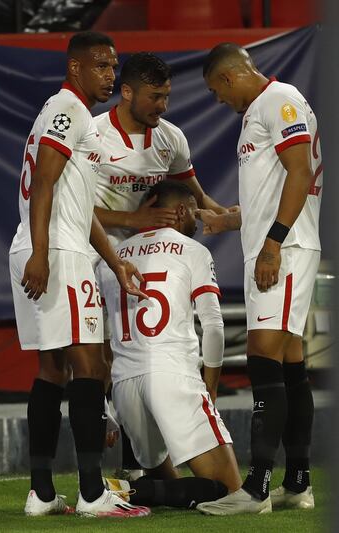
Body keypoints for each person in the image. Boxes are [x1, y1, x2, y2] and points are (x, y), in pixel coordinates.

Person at [9, 31, 150, 519]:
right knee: (89, 367)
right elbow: (43, 182)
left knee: (52, 371)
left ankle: (42, 494)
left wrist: (113, 260)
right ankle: (93, 492)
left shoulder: (72, 116)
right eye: (103, 66)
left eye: (115, 66)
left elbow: (77, 202)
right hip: (56, 253)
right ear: (76, 68)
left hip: (49, 246)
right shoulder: (67, 109)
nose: (112, 74)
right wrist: (44, 254)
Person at [91, 52, 239, 474]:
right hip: (98, 256)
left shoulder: (171, 138)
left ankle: (135, 471)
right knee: (98, 356)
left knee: (135, 357)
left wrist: (227, 217)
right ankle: (102, 467)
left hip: (149, 260)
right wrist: (130, 220)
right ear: (127, 92)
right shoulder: (94, 137)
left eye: (167, 96)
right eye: (155, 97)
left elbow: (198, 197)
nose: (163, 106)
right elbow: (73, 208)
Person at [195, 42, 321, 515]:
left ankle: (256, 489)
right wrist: (231, 221)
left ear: (229, 78)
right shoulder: (258, 114)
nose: (218, 102)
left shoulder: (279, 100)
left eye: (215, 91)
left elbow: (300, 172)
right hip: (272, 245)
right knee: (289, 365)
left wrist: (272, 244)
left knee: (262, 357)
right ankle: (298, 482)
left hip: (283, 250)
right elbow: (276, 189)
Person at [97, 179, 242, 508]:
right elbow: (214, 327)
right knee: (232, 492)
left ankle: (119, 489)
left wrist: (104, 408)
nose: (199, 218)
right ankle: (122, 492)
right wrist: (212, 386)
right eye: (195, 212)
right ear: (180, 211)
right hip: (174, 377)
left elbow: (100, 342)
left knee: (171, 484)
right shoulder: (193, 251)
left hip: (125, 388)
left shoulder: (112, 258)